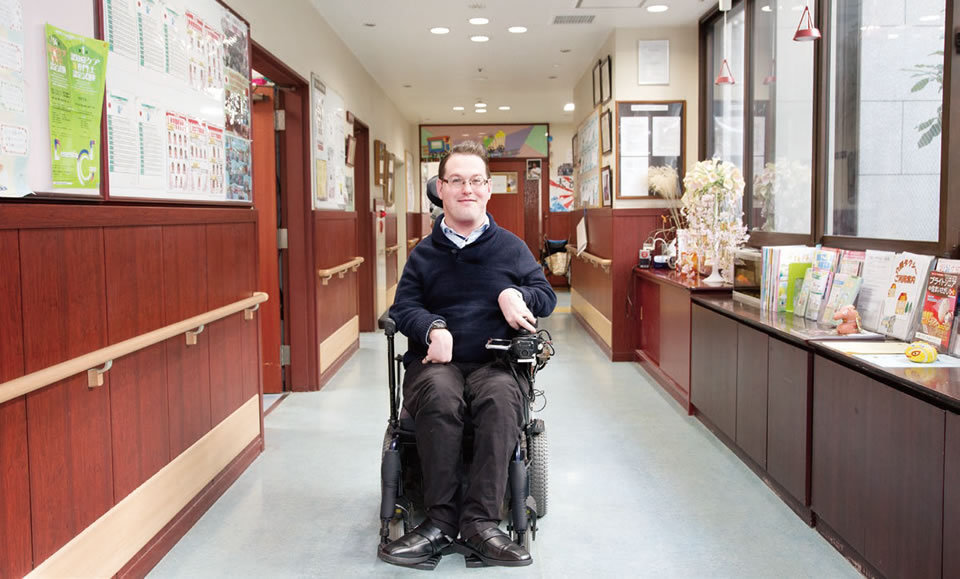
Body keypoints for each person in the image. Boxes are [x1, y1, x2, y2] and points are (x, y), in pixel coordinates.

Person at [379, 141, 556, 568]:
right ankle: (440, 522)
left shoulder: (511, 247)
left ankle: (479, 524)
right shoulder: (424, 254)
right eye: (456, 180)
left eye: (476, 180)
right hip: (436, 364)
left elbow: (546, 295)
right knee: (440, 396)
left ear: (488, 188)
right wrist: (431, 327)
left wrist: (517, 295)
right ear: (441, 189)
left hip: (496, 362)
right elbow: (403, 307)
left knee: (500, 399)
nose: (467, 189)